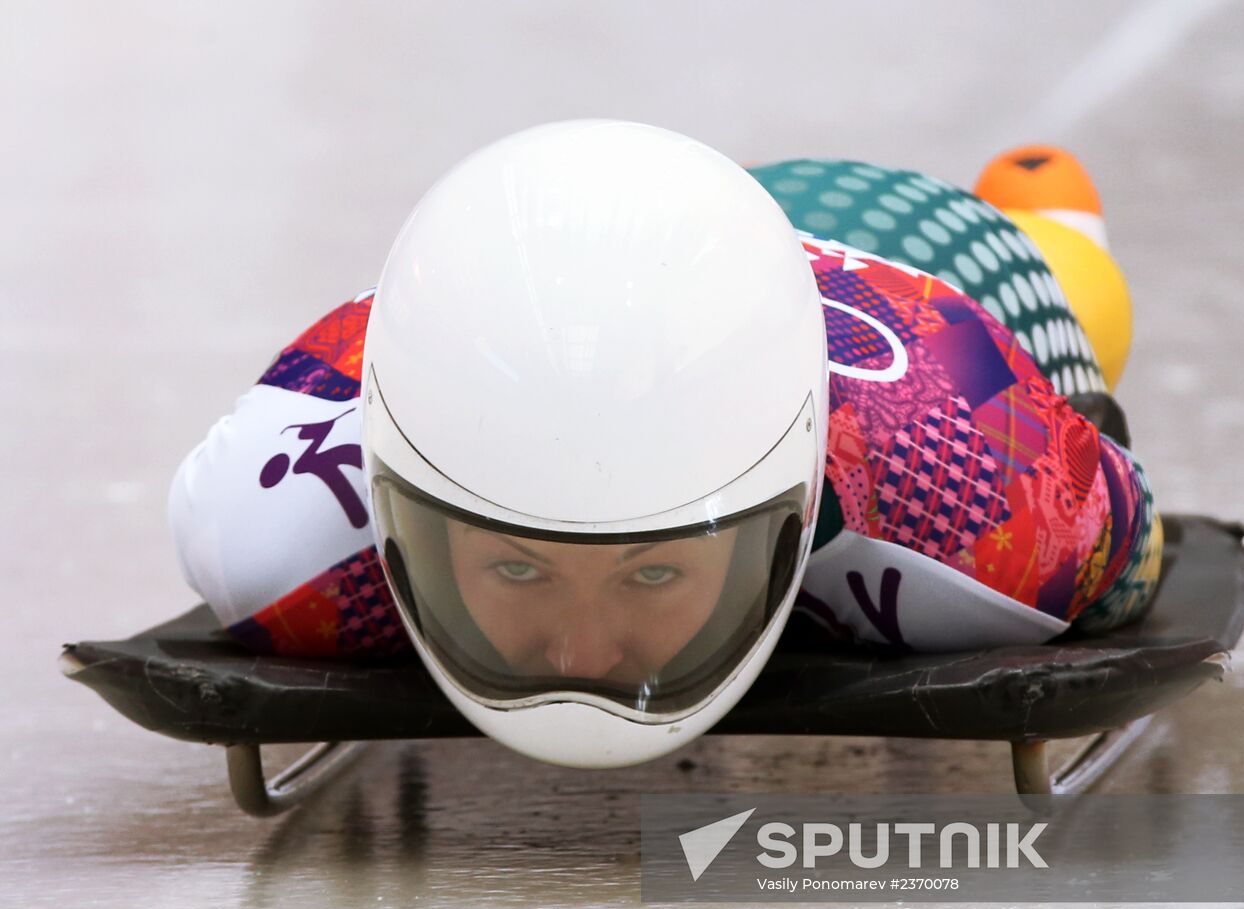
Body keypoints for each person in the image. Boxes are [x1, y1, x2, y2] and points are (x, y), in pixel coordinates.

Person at [169, 121, 1159, 767]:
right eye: (517, 566)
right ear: (394, 509)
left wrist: (1084, 439)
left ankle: (1047, 221)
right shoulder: (267, 533)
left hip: (920, 264)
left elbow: (1127, 536)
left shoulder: (991, 502)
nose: (583, 656)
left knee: (1076, 300)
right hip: (675, 236)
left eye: (649, 574)